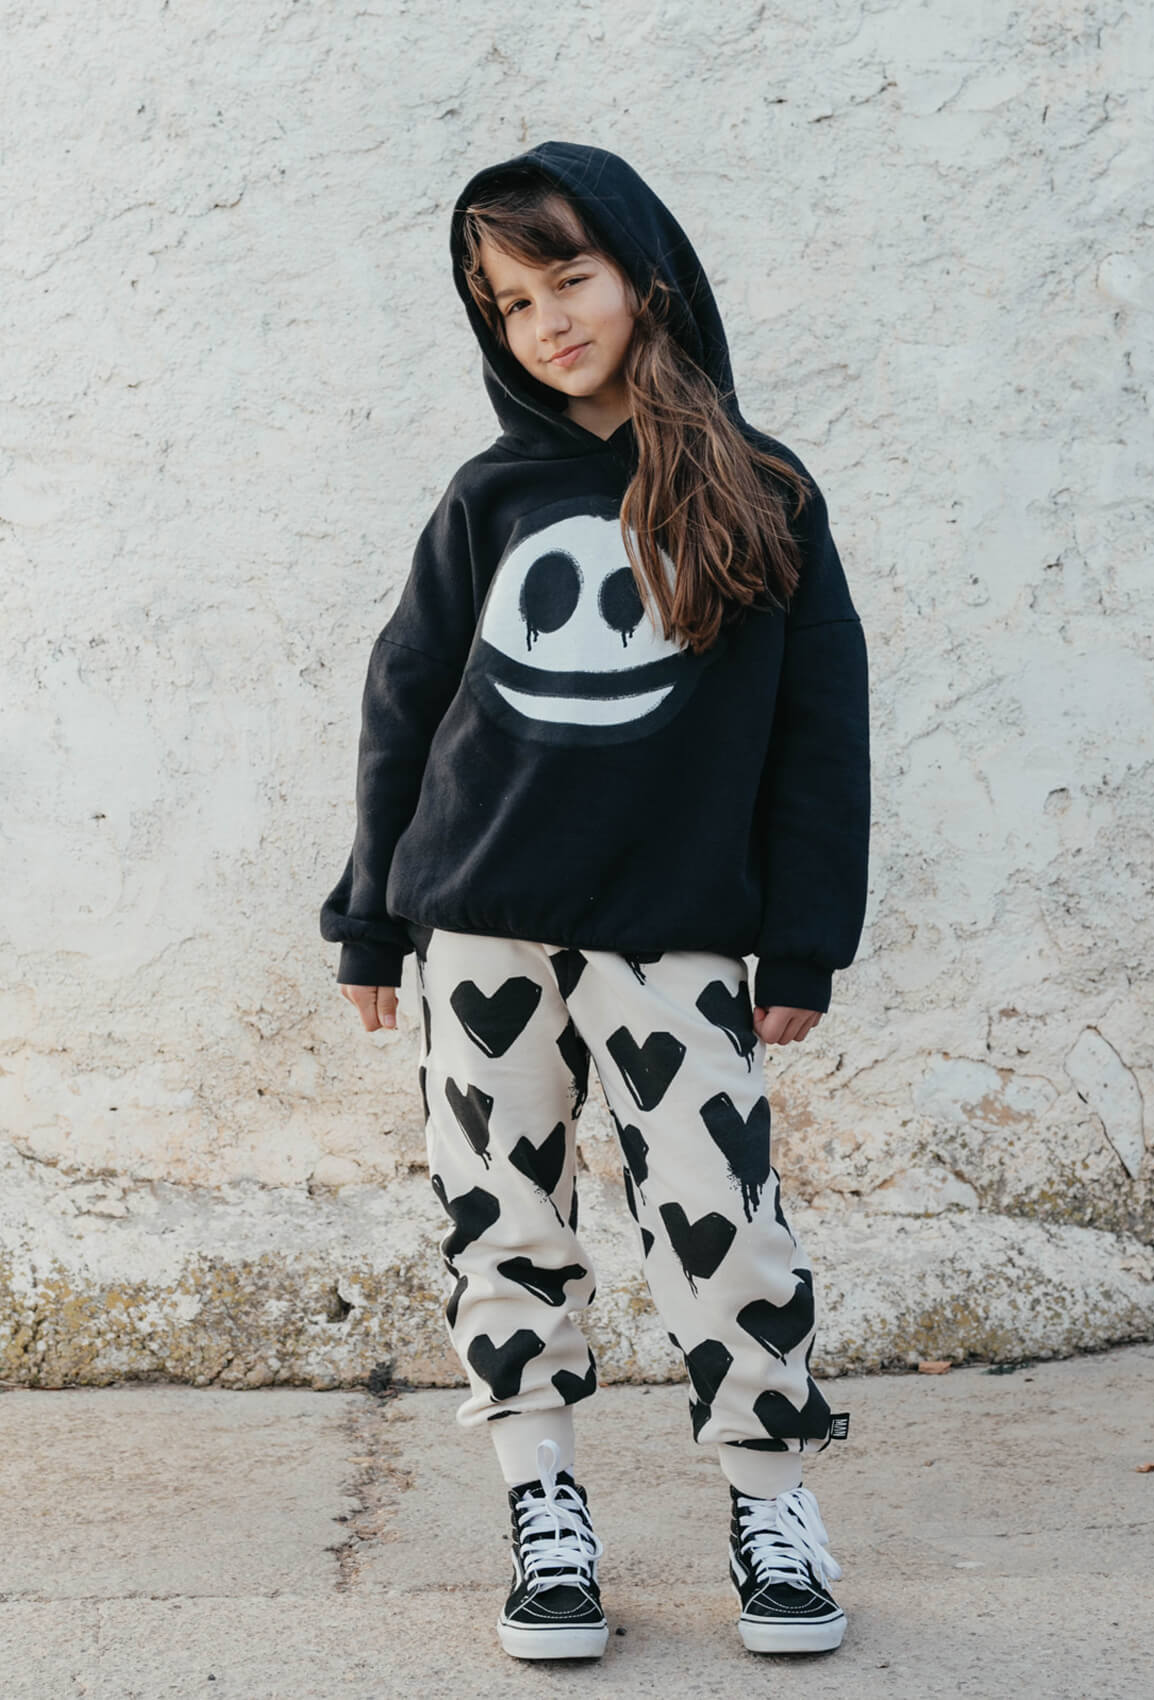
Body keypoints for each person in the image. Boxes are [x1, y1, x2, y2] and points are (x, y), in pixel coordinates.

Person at [319, 140, 871, 1662]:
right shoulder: (490, 495)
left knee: (724, 1218)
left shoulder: (764, 491)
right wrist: (371, 912)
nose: (546, 321)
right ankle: (544, 1509)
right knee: (500, 1216)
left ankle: (771, 1505)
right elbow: (405, 702)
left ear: (643, 275)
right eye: (510, 303)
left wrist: (806, 935)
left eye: (568, 278)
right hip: (480, 916)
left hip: (673, 926)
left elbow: (820, 728)